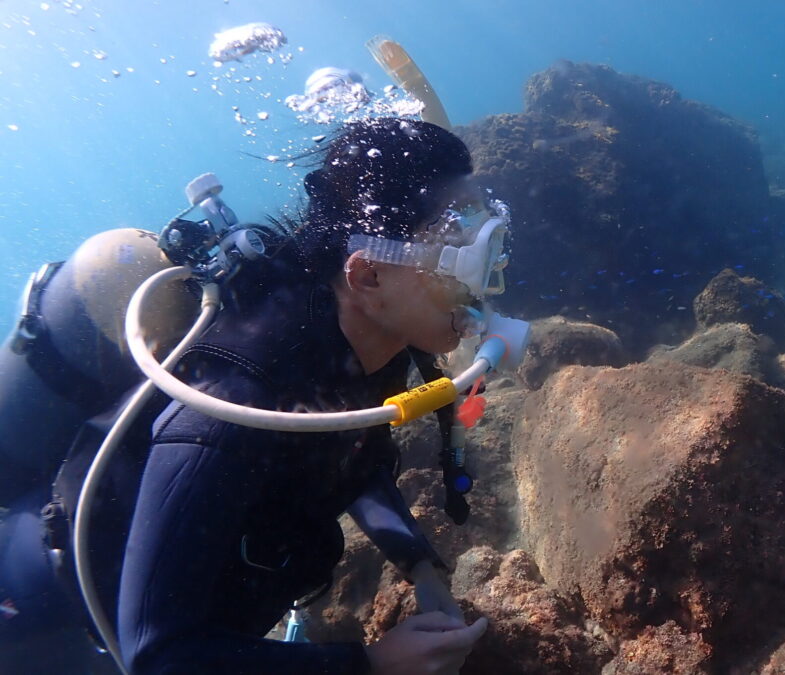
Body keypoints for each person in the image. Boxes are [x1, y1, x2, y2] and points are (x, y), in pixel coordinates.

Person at [0, 116, 495, 674]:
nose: (481, 278)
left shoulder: (368, 341)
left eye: (482, 237)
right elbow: (159, 656)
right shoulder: (233, 398)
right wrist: (372, 665)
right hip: (41, 623)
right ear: (367, 277)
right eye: (454, 248)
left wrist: (420, 566)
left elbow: (351, 455)